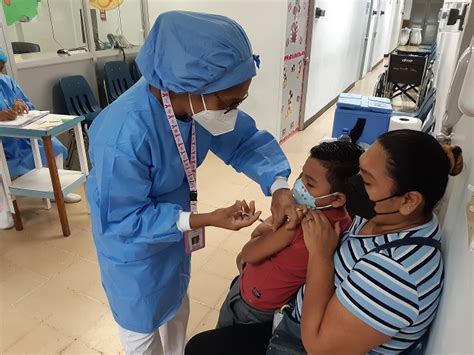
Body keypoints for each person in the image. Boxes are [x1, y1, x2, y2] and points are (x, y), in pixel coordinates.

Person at [86, 11, 299, 355]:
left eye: (239, 102)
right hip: (134, 252)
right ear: (190, 85)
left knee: (175, 316)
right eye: (228, 103)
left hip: (173, 241)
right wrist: (205, 219)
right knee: (142, 339)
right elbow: (125, 219)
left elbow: (244, 140)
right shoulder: (124, 134)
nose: (233, 110)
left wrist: (279, 187)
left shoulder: (192, 106)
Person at [185, 130, 463, 355]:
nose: (350, 187)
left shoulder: (397, 274)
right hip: (289, 314)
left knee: (202, 349)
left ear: (409, 201)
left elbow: (318, 345)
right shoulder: (381, 219)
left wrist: (320, 255)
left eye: (364, 181)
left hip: (301, 341)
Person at [217, 141, 361, 328]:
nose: (299, 185)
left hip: (252, 305)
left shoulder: (298, 224)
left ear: (337, 198)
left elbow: (248, 254)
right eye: (301, 175)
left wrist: (273, 228)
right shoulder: (342, 221)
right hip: (275, 301)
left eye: (309, 183)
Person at [0, 49, 81, 230]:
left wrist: (21, 103)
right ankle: (3, 211)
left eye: (1, 68)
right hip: (2, 145)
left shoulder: (7, 82)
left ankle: (57, 190)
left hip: (23, 139)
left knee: (55, 146)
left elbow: (28, 105)